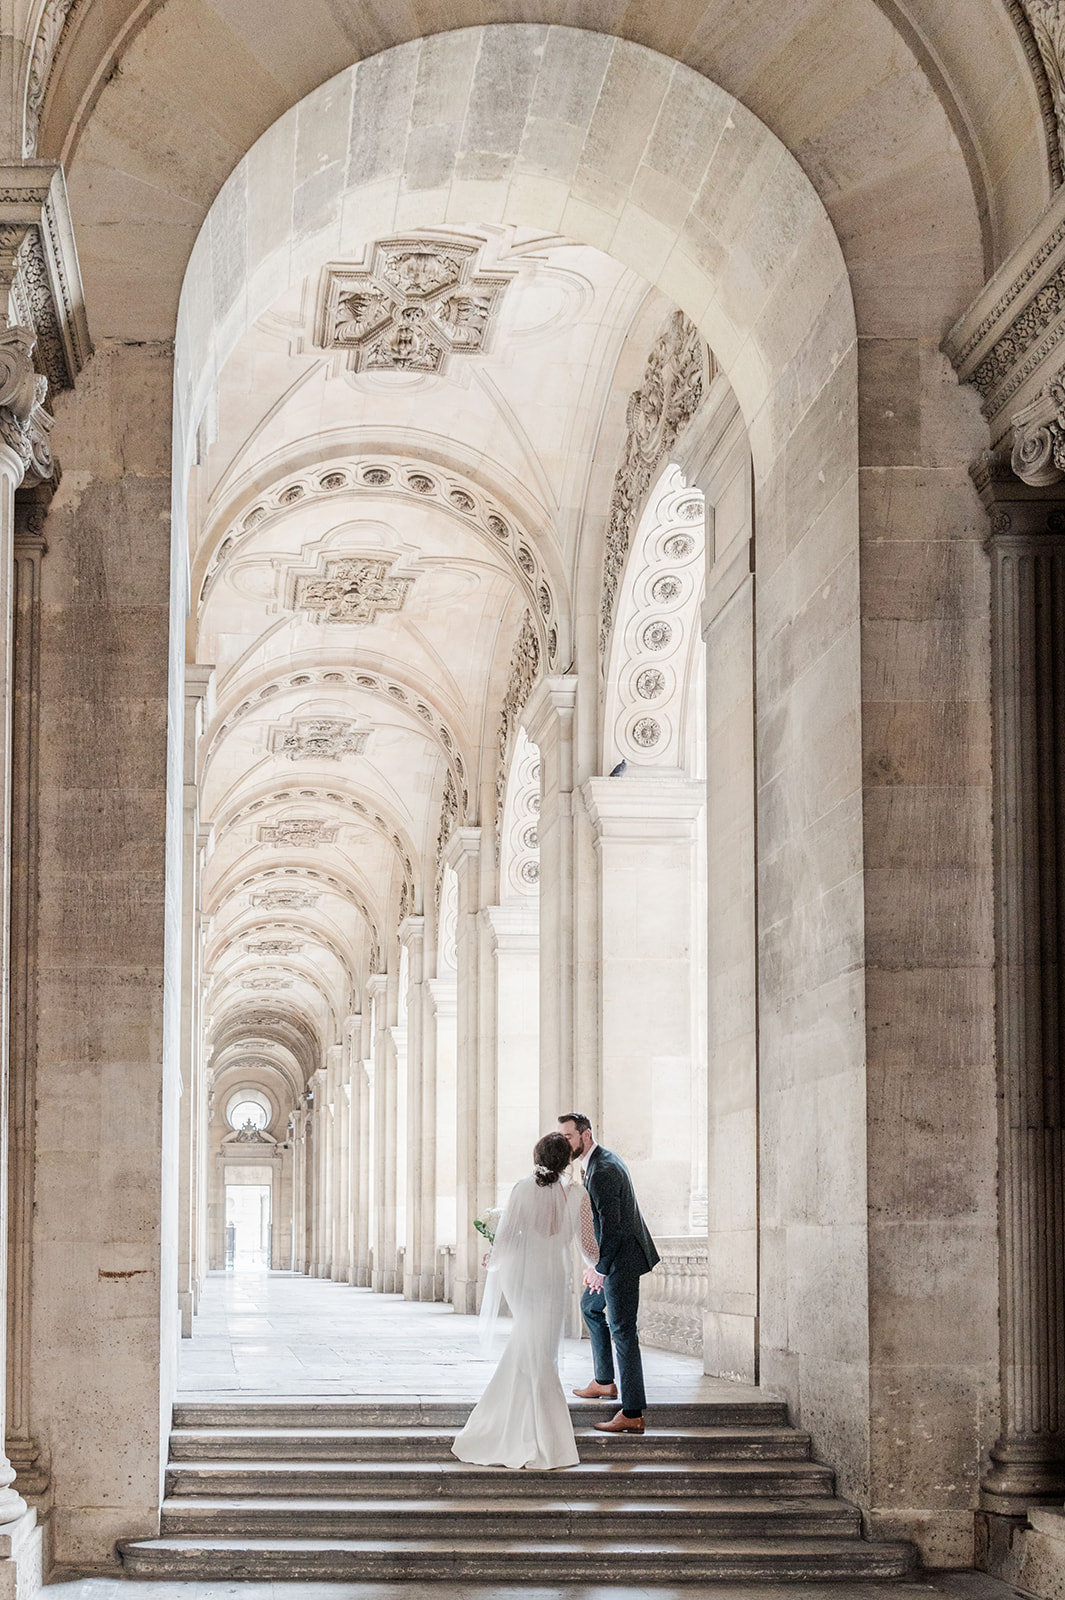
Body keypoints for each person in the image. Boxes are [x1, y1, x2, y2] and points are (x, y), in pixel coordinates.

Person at [451, 1131, 597, 1470]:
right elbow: (588, 1248)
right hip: (555, 1279)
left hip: (523, 1278)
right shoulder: (578, 1194)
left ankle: (517, 1423)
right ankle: (547, 1434)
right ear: (568, 1161)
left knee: (529, 1344)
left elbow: (505, 1238)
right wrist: (603, 1268)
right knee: (540, 1347)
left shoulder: (521, 1188)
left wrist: (494, 1262)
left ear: (537, 1157)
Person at [558, 1111, 660, 1435]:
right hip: (614, 1256)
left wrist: (600, 1270)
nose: (564, 1143)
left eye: (568, 1137)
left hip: (623, 1259)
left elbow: (615, 1229)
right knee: (590, 1307)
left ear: (585, 1135)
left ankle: (632, 1412)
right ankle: (604, 1381)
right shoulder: (597, 1162)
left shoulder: (602, 1170)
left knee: (623, 1330)